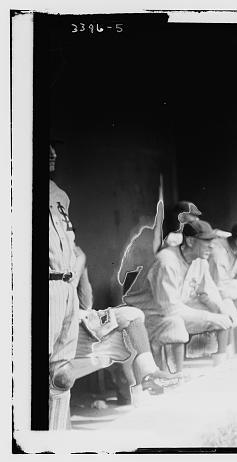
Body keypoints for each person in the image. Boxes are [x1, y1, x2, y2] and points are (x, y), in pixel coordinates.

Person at [127, 220, 237, 371]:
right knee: (176, 323)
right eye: (206, 241)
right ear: (191, 241)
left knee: (223, 315)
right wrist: (210, 317)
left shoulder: (200, 261)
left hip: (172, 310)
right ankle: (176, 376)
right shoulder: (167, 261)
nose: (211, 246)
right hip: (147, 315)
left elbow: (206, 293)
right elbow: (169, 309)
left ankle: (221, 367)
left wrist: (220, 310)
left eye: (212, 241)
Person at [71, 247, 177, 402]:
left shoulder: (77, 258)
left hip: (86, 323)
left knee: (132, 319)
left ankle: (147, 378)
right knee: (128, 335)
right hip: (69, 330)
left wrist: (81, 267)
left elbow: (86, 302)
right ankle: (141, 385)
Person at [48, 144, 80, 430]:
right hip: (45, 287)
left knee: (62, 375)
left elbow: (73, 245)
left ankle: (55, 444)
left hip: (67, 285)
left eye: (55, 148)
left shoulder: (60, 195)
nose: (53, 153)